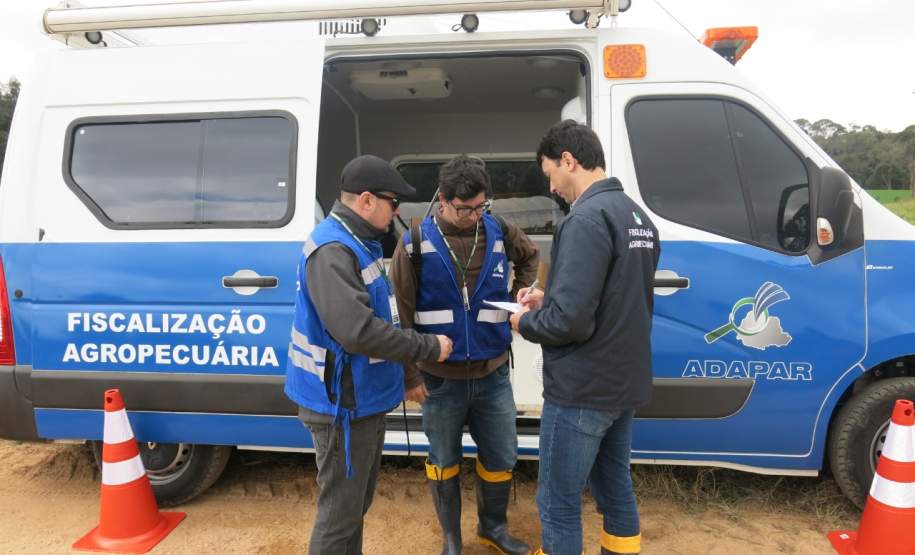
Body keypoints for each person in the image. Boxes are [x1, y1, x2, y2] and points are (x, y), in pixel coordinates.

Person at [284, 154, 453, 555]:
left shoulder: (359, 242)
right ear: (365, 200)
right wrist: (428, 348)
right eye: (392, 202)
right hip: (341, 405)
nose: (396, 211)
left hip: (362, 400)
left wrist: (409, 375)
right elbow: (358, 331)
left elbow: (386, 315)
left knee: (354, 506)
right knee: (340, 515)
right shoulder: (332, 251)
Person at [510, 121, 660, 555]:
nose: (552, 187)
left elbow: (570, 324)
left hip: (582, 388)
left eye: (550, 174)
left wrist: (523, 322)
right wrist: (547, 296)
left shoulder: (585, 219)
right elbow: (612, 296)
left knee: (557, 502)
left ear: (569, 161)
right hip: (622, 384)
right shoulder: (636, 217)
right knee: (615, 490)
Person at [390, 155, 539, 555]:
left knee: (502, 455)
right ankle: (452, 539)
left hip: (492, 374)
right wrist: (410, 377)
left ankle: (493, 528)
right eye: (464, 208)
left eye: (480, 207)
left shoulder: (498, 229)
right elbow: (403, 318)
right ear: (442, 200)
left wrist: (518, 298)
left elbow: (529, 257)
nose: (474, 215)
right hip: (439, 381)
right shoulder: (414, 245)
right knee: (443, 460)